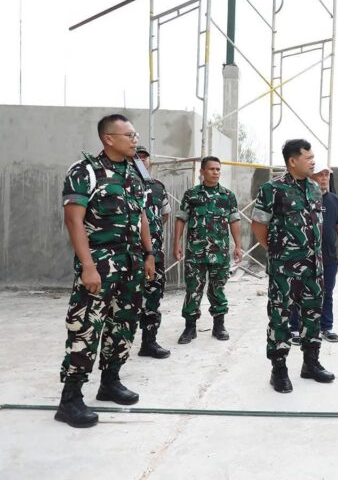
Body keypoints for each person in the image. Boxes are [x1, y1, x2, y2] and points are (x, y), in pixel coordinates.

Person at [55, 114, 156, 428]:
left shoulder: (134, 172)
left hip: (131, 265)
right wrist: (87, 266)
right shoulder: (84, 171)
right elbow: (74, 220)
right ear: (109, 138)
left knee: (123, 325)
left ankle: (110, 381)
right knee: (86, 327)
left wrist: (149, 254)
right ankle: (70, 399)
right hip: (99, 265)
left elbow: (141, 217)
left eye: (135, 134)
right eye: (129, 135)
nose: (135, 139)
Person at [251, 139, 335, 393]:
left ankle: (311, 363)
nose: (313, 161)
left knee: (313, 315)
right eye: (308, 157)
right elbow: (259, 225)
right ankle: (279, 369)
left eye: (313, 157)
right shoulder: (272, 189)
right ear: (292, 161)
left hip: (313, 267)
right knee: (280, 318)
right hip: (284, 269)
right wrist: (277, 252)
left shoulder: (313, 187)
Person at [173, 156, 243, 344]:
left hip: (219, 253)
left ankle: (219, 326)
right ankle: (190, 328)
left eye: (218, 169)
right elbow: (181, 218)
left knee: (217, 289)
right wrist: (176, 243)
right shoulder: (191, 195)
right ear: (202, 172)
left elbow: (234, 221)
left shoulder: (228, 196)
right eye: (211, 169)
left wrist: (238, 245)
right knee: (193, 290)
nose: (216, 172)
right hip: (195, 253)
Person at [289, 166, 338, 344]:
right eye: (320, 175)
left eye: (327, 175)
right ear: (311, 177)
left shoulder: (334, 200)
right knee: (298, 293)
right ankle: (295, 329)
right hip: (303, 256)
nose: (324, 178)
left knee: (326, 293)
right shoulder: (300, 198)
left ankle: (325, 327)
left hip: (329, 257)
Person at [135, 145, 171, 359]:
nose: (142, 160)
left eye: (145, 157)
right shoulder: (124, 184)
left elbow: (164, 215)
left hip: (155, 254)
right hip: (129, 255)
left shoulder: (158, 187)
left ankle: (149, 342)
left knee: (153, 298)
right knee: (125, 302)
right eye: (137, 157)